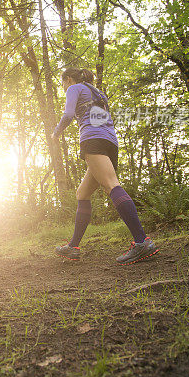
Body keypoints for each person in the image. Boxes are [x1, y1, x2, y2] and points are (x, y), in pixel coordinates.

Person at [51, 67, 157, 265]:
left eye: (63, 82)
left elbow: (68, 114)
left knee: (111, 185)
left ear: (68, 79)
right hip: (110, 142)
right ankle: (73, 246)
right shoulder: (99, 93)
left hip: (93, 140)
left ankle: (142, 241)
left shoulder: (74, 88)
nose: (63, 87)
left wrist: (56, 134)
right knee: (82, 193)